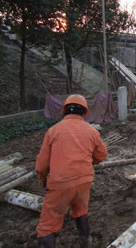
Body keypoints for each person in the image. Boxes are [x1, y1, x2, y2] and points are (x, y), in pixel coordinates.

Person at [35, 95, 107, 248]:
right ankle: (86, 243)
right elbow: (101, 155)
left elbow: (41, 165)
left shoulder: (53, 131)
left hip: (60, 183)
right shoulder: (91, 131)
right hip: (84, 181)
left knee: (47, 227)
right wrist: (87, 162)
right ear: (85, 112)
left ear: (65, 111)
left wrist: (43, 178)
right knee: (81, 211)